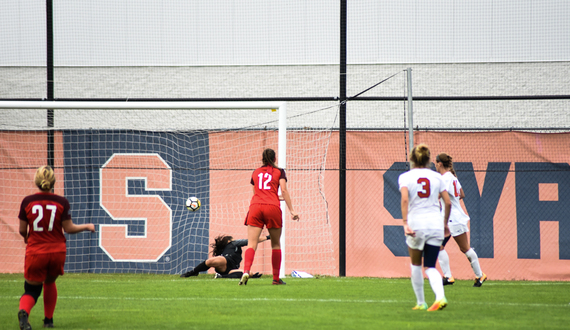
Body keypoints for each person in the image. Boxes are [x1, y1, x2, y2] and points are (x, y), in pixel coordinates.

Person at [17, 165, 95, 330]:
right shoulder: (61, 202)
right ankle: (48, 321)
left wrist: (26, 238)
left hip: (36, 251)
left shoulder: (27, 201)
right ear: (53, 182)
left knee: (31, 290)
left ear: (36, 181)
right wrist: (87, 226)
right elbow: (68, 228)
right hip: (57, 251)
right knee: (50, 282)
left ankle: (24, 311)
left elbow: (22, 230)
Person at [399, 144, 451, 311]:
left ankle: (421, 303)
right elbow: (448, 202)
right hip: (435, 224)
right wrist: (444, 224)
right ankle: (440, 297)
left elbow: (405, 200)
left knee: (415, 265)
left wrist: (405, 223)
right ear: (429, 160)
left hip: (417, 225)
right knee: (430, 266)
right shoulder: (438, 178)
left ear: (412, 159)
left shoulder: (405, 177)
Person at [239, 148, 299, 286]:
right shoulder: (280, 171)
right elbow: (283, 190)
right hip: (272, 208)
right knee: (276, 244)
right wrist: (292, 210)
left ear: (262, 159)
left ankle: (246, 271)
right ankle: (276, 279)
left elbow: (257, 193)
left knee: (251, 244)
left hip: (255, 207)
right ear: (275, 159)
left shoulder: (255, 172)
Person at [435, 153, 487, 287]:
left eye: (436, 162)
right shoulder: (452, 177)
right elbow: (461, 194)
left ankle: (451, 276)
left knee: (459, 248)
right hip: (456, 217)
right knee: (450, 247)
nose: (435, 165)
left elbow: (443, 196)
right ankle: (478, 275)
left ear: (440, 163)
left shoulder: (445, 178)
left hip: (450, 218)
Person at [180, 234, 270, 278]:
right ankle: (193, 272)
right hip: (226, 261)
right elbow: (251, 240)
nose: (235, 239)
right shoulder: (232, 243)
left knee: (249, 274)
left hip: (232, 268)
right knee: (211, 261)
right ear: (228, 241)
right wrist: (268, 237)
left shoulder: (235, 246)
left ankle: (221, 277)